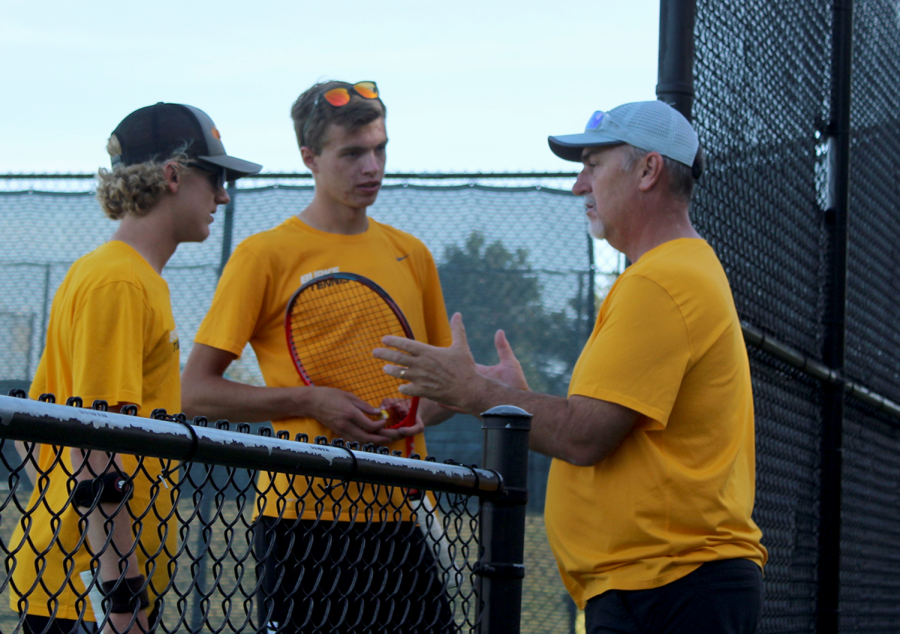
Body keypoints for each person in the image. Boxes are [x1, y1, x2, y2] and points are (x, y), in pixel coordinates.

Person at [374, 101, 768, 634]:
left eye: (593, 165)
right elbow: (609, 427)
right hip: (663, 586)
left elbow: (585, 435)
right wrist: (513, 397)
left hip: (668, 589)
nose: (580, 186)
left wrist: (470, 392)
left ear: (649, 170)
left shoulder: (662, 281)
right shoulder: (676, 271)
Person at [181, 80, 455, 633]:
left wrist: (419, 413)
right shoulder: (265, 255)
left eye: (380, 149)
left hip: (403, 516)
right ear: (310, 157)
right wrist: (309, 401)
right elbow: (194, 392)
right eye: (352, 152)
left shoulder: (412, 254)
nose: (371, 166)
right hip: (302, 520)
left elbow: (442, 389)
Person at [9, 103, 261, 634]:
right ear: (172, 175)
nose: (223, 194)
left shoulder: (124, 276)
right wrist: (120, 599)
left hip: (85, 579)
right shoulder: (119, 283)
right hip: (89, 594)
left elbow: (34, 434)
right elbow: (95, 450)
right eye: (214, 177)